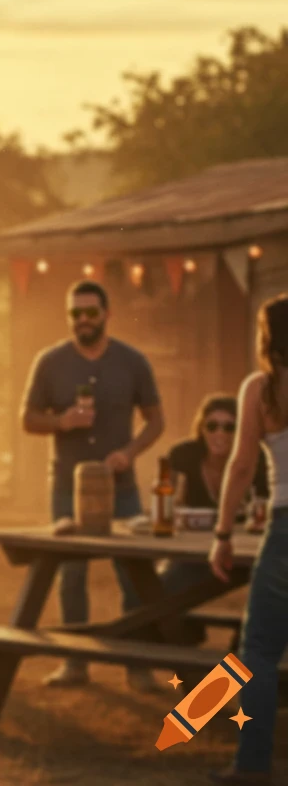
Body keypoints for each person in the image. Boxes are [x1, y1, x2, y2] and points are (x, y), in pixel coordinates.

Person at [21, 280, 165, 690]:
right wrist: (61, 422)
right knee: (71, 575)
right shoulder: (50, 362)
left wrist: (130, 452)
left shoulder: (132, 361)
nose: (83, 320)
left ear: (106, 314)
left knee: (135, 575)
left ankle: (138, 665)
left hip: (122, 485)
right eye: (75, 313)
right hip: (68, 484)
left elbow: (157, 420)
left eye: (90, 312)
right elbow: (28, 419)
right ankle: (74, 663)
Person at [208, 294, 288, 786]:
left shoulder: (262, 389)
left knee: (258, 648)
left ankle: (254, 764)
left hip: (285, 526)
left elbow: (241, 466)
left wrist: (222, 534)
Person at [158, 394, 270, 595]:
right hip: (192, 550)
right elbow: (165, 500)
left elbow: (265, 510)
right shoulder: (184, 454)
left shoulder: (257, 458)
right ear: (202, 429)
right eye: (212, 426)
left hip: (245, 552)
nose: (220, 433)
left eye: (229, 427)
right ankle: (183, 627)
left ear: (240, 431)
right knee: (161, 587)